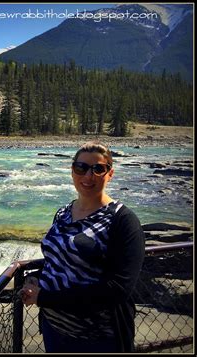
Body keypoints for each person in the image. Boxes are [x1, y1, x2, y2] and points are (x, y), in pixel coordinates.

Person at [19, 141, 145, 353]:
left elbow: (117, 289)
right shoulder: (63, 213)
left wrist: (44, 298)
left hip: (97, 339)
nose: (88, 176)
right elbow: (59, 260)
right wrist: (37, 278)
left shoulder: (123, 221)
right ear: (72, 171)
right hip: (54, 330)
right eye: (81, 168)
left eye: (98, 169)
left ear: (110, 173)